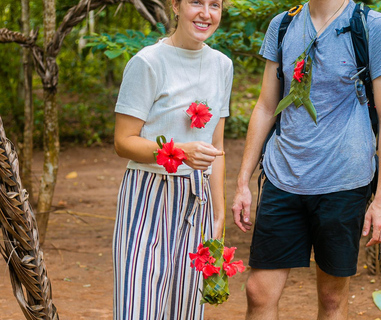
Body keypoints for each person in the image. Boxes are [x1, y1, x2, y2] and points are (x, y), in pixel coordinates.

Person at [231, 0, 381, 319]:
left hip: (343, 183)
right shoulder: (282, 24)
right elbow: (266, 107)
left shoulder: (371, 26)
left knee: (331, 298)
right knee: (258, 292)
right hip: (283, 177)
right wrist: (243, 181)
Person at [112, 0, 232, 319]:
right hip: (147, 194)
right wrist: (180, 151)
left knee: (186, 310)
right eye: (196, 2)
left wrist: (218, 218)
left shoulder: (222, 65)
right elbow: (123, 142)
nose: (206, 13)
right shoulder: (148, 62)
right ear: (175, 6)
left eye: (215, 5)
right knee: (138, 305)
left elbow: (216, 148)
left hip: (198, 198)